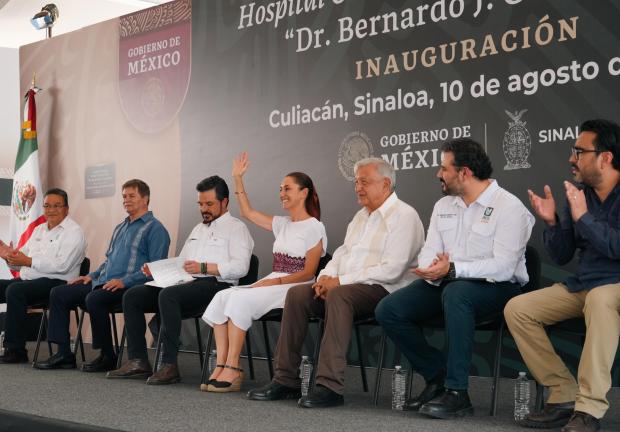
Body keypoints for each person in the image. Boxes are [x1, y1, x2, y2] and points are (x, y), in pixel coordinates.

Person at [376, 138, 534, 419]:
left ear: (464, 173)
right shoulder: (443, 206)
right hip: (448, 282)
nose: (438, 174)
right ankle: (438, 377)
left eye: (443, 168)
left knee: (457, 292)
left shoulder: (509, 206)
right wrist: (432, 268)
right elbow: (428, 253)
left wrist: (452, 270)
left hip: (498, 289)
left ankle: (458, 392)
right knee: (389, 309)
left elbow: (504, 267)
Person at [248, 157, 425, 408]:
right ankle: (285, 379)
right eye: (356, 182)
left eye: (364, 182)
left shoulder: (405, 216)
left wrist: (339, 282)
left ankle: (329, 386)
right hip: (346, 285)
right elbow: (342, 254)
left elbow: (392, 270)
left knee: (339, 296)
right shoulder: (361, 217)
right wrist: (324, 278)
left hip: (385, 290)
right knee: (299, 295)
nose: (357, 188)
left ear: (386, 184)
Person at [505, 119, 620, 432]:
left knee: (599, 299)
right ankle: (563, 392)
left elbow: (615, 247)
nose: (571, 158)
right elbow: (561, 255)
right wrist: (553, 221)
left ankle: (589, 410)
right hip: (585, 284)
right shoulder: (579, 195)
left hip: (615, 285)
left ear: (606, 157)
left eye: (579, 152)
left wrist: (584, 218)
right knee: (518, 309)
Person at [107, 176, 253, 384]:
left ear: (225, 202)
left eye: (209, 204)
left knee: (169, 296)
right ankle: (138, 360)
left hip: (217, 286)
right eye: (201, 204)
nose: (204, 209)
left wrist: (205, 267)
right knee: (134, 295)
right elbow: (181, 262)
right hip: (186, 283)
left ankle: (169, 365)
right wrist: (156, 270)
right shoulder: (198, 229)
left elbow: (241, 268)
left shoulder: (237, 228)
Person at [202, 152, 327, 393]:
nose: (282, 193)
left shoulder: (314, 227)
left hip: (295, 286)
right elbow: (248, 213)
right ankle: (221, 364)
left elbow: (309, 272)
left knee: (239, 298)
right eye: (280, 188)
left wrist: (272, 282)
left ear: (304, 192)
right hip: (275, 280)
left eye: (287, 188)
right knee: (222, 297)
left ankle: (233, 367)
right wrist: (237, 179)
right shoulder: (282, 224)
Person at [34, 179, 170, 372]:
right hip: (104, 281)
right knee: (59, 293)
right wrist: (91, 275)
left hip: (132, 286)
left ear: (145, 198)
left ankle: (108, 355)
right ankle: (64, 354)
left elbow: (156, 268)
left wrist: (125, 281)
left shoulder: (156, 229)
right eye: (124, 196)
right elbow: (109, 260)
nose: (126, 200)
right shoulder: (120, 227)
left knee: (95, 298)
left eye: (131, 196)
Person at [0, 188, 86, 363]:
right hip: (29, 280)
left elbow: (63, 265)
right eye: (47, 206)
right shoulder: (39, 229)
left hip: (58, 282)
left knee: (15, 291)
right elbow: (21, 258)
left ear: (67, 209)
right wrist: (9, 256)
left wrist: (28, 261)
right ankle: (13, 347)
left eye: (56, 206)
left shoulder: (74, 232)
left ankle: (15, 350)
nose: (51, 210)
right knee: (14, 287)